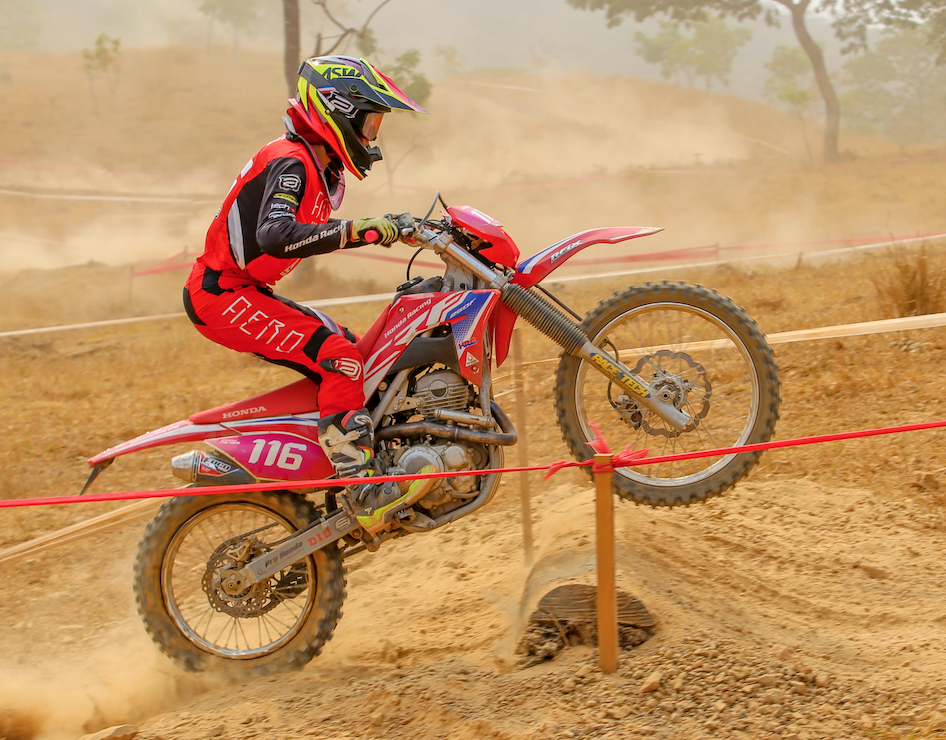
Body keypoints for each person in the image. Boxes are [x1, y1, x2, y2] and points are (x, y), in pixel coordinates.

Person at [183, 55, 430, 534]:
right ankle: (361, 489)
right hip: (220, 294)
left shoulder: (315, 163)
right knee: (340, 358)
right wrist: (367, 230)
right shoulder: (292, 161)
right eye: (369, 122)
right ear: (336, 110)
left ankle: (347, 460)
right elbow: (276, 234)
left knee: (359, 353)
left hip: (244, 290)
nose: (371, 138)